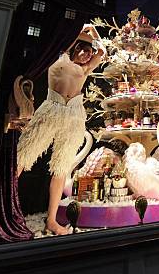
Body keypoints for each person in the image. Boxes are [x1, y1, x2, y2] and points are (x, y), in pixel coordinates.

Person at [16, 25, 105, 235]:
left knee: (61, 168)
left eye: (88, 52)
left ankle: (52, 220)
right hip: (51, 111)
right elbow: (70, 36)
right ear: (74, 49)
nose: (85, 55)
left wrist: (95, 34)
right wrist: (87, 31)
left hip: (74, 116)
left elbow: (102, 51)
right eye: (82, 50)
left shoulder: (85, 69)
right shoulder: (60, 60)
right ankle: (3, 209)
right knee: (23, 158)